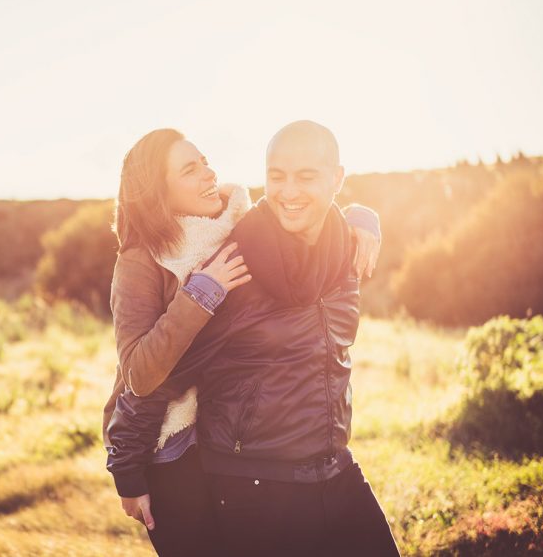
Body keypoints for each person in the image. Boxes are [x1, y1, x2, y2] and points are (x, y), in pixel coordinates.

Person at [102, 125, 384, 556]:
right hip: (206, 456)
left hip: (288, 447)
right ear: (159, 192)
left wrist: (361, 217)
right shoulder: (171, 263)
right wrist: (128, 469)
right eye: (189, 170)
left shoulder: (257, 226)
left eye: (204, 162)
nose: (208, 174)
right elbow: (147, 376)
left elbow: (304, 209)